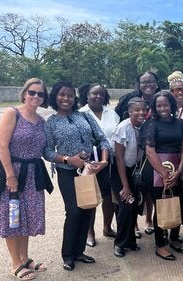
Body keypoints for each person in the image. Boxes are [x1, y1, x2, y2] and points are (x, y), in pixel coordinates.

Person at [44, 81, 111, 271]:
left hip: (89, 170)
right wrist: (67, 159)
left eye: (70, 95)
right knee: (73, 212)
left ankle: (79, 252)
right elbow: (47, 152)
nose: (66, 98)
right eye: (62, 95)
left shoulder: (85, 116)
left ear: (75, 98)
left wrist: (104, 161)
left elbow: (103, 139)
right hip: (67, 172)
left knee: (87, 209)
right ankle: (68, 255)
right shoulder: (51, 123)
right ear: (55, 97)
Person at [0, 78, 53, 280]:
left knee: (27, 216)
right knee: (12, 216)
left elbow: (44, 149)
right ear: (24, 93)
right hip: (12, 172)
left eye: (40, 94)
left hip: (33, 174)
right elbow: (2, 145)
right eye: (32, 92)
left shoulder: (41, 121)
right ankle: (15, 263)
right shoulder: (13, 114)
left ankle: (24, 257)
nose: (36, 97)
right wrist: (10, 176)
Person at [140, 91, 183, 261]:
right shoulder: (150, 125)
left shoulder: (180, 123)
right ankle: (160, 245)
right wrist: (164, 173)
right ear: (154, 107)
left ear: (171, 105)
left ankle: (174, 238)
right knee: (161, 206)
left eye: (165, 105)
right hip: (155, 170)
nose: (162, 108)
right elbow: (149, 151)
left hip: (176, 169)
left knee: (177, 202)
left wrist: (179, 171)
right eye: (158, 105)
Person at [115, 72, 160, 237]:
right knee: (131, 194)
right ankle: (132, 227)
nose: (148, 84)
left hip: (150, 155)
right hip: (129, 158)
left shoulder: (159, 100)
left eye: (151, 81)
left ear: (156, 83)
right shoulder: (128, 101)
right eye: (144, 82)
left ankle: (149, 220)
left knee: (149, 190)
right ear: (138, 84)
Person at [78, 83, 120, 247]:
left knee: (109, 197)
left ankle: (107, 228)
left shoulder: (112, 113)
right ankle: (90, 232)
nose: (98, 97)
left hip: (109, 161)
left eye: (101, 94)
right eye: (94, 94)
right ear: (87, 95)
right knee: (90, 197)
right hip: (89, 162)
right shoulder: (80, 114)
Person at [111, 97, 146, 257]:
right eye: (137, 110)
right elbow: (119, 158)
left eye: (143, 109)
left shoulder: (144, 127)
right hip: (120, 172)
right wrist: (125, 186)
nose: (141, 112)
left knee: (134, 207)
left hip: (134, 171)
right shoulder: (123, 128)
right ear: (130, 111)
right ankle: (119, 243)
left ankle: (131, 241)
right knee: (126, 206)